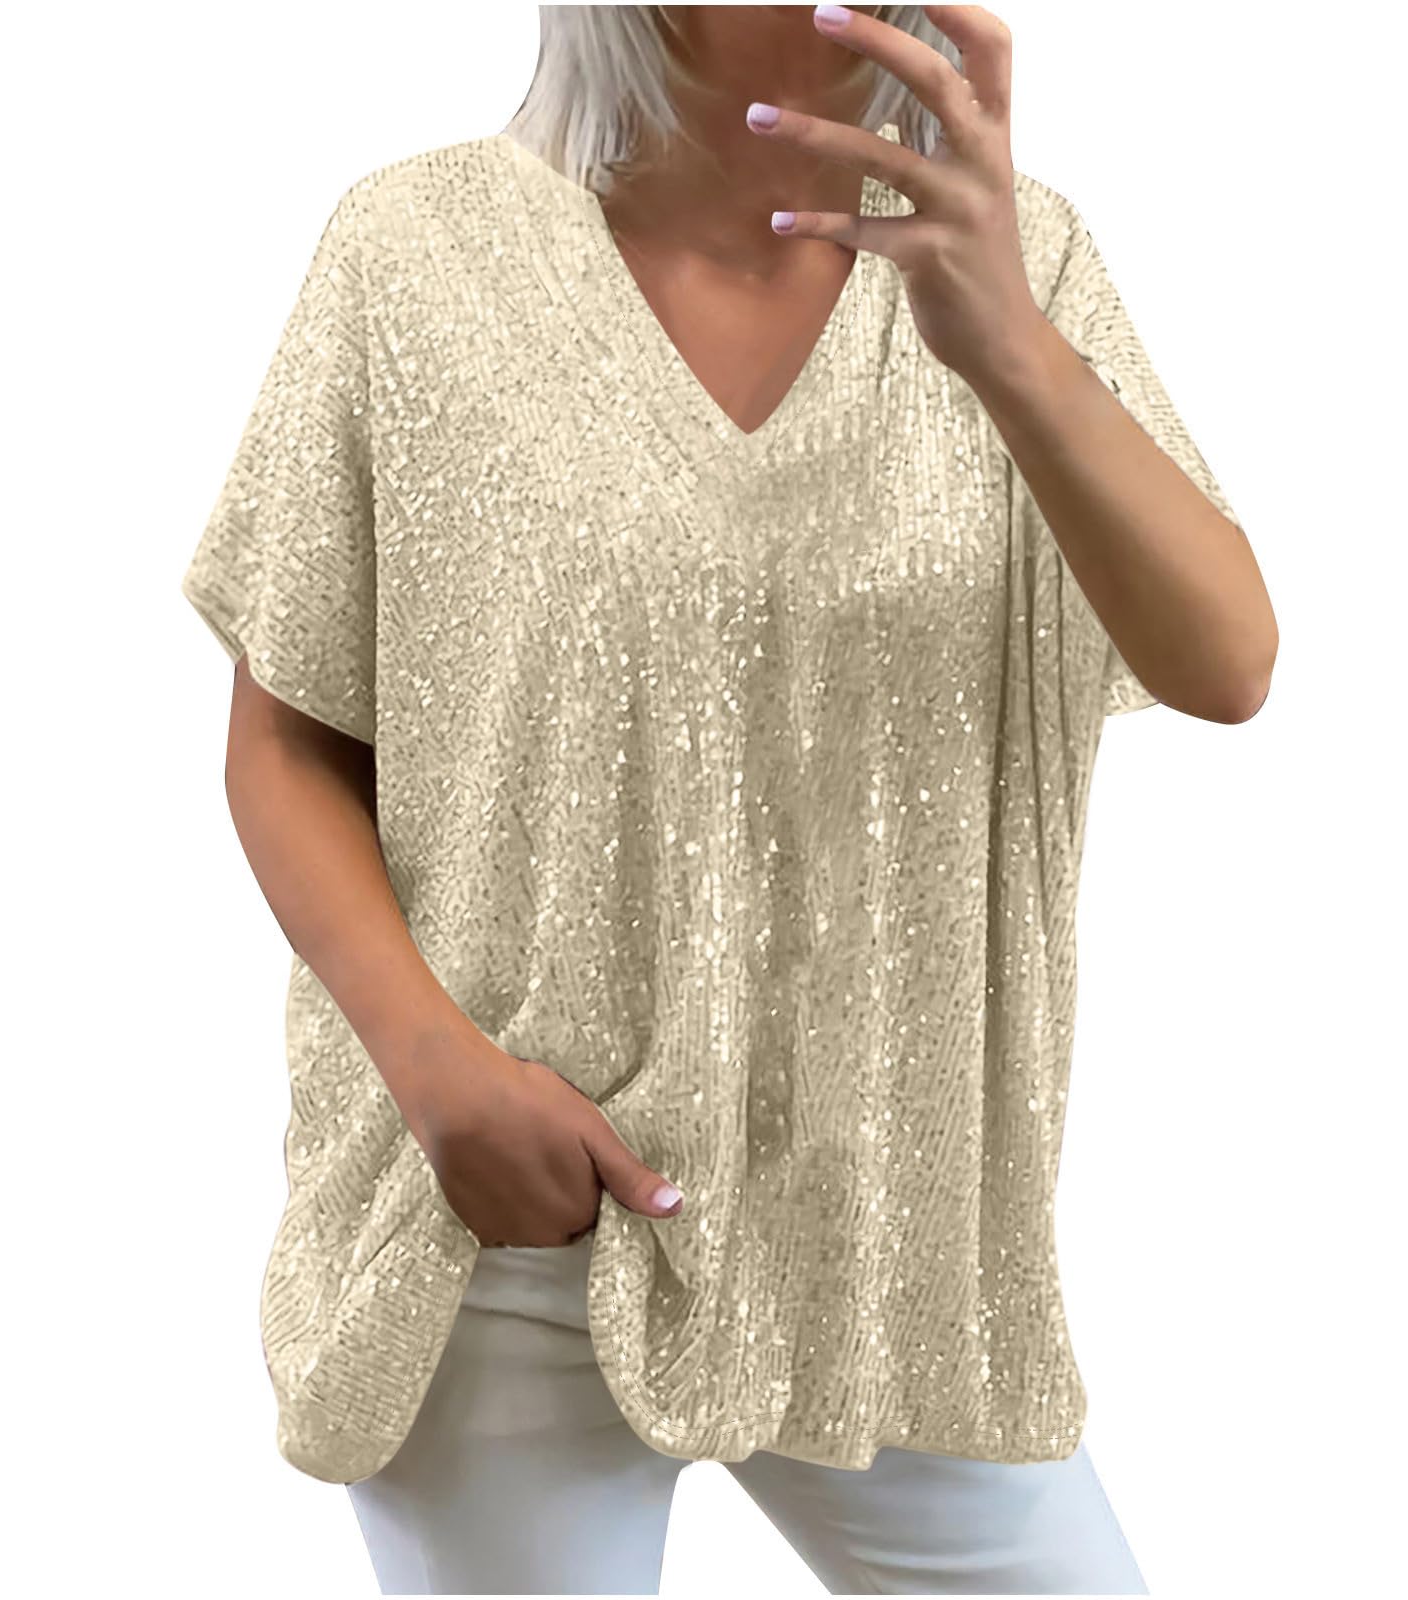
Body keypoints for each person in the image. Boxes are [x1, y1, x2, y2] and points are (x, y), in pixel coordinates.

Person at [180, 4, 1276, 1593]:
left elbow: (1228, 663)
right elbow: (288, 741)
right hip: (512, 1239)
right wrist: (442, 1079)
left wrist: (1012, 348)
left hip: (896, 1260)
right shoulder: (414, 255)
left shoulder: (1013, 257)